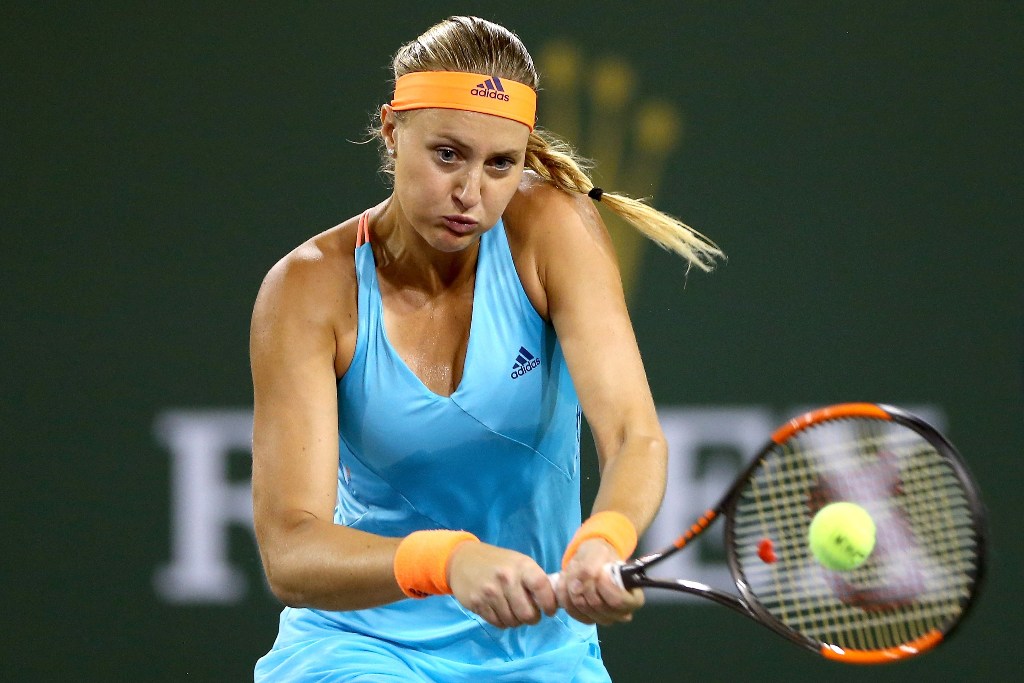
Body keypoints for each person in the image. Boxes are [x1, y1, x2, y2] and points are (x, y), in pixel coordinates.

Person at [250, 15, 721, 682]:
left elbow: (632, 435)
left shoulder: (552, 228)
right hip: (359, 648)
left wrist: (602, 538)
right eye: (447, 154)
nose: (470, 192)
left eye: (501, 163)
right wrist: (446, 560)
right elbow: (290, 550)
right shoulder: (306, 288)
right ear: (391, 129)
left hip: (544, 653)